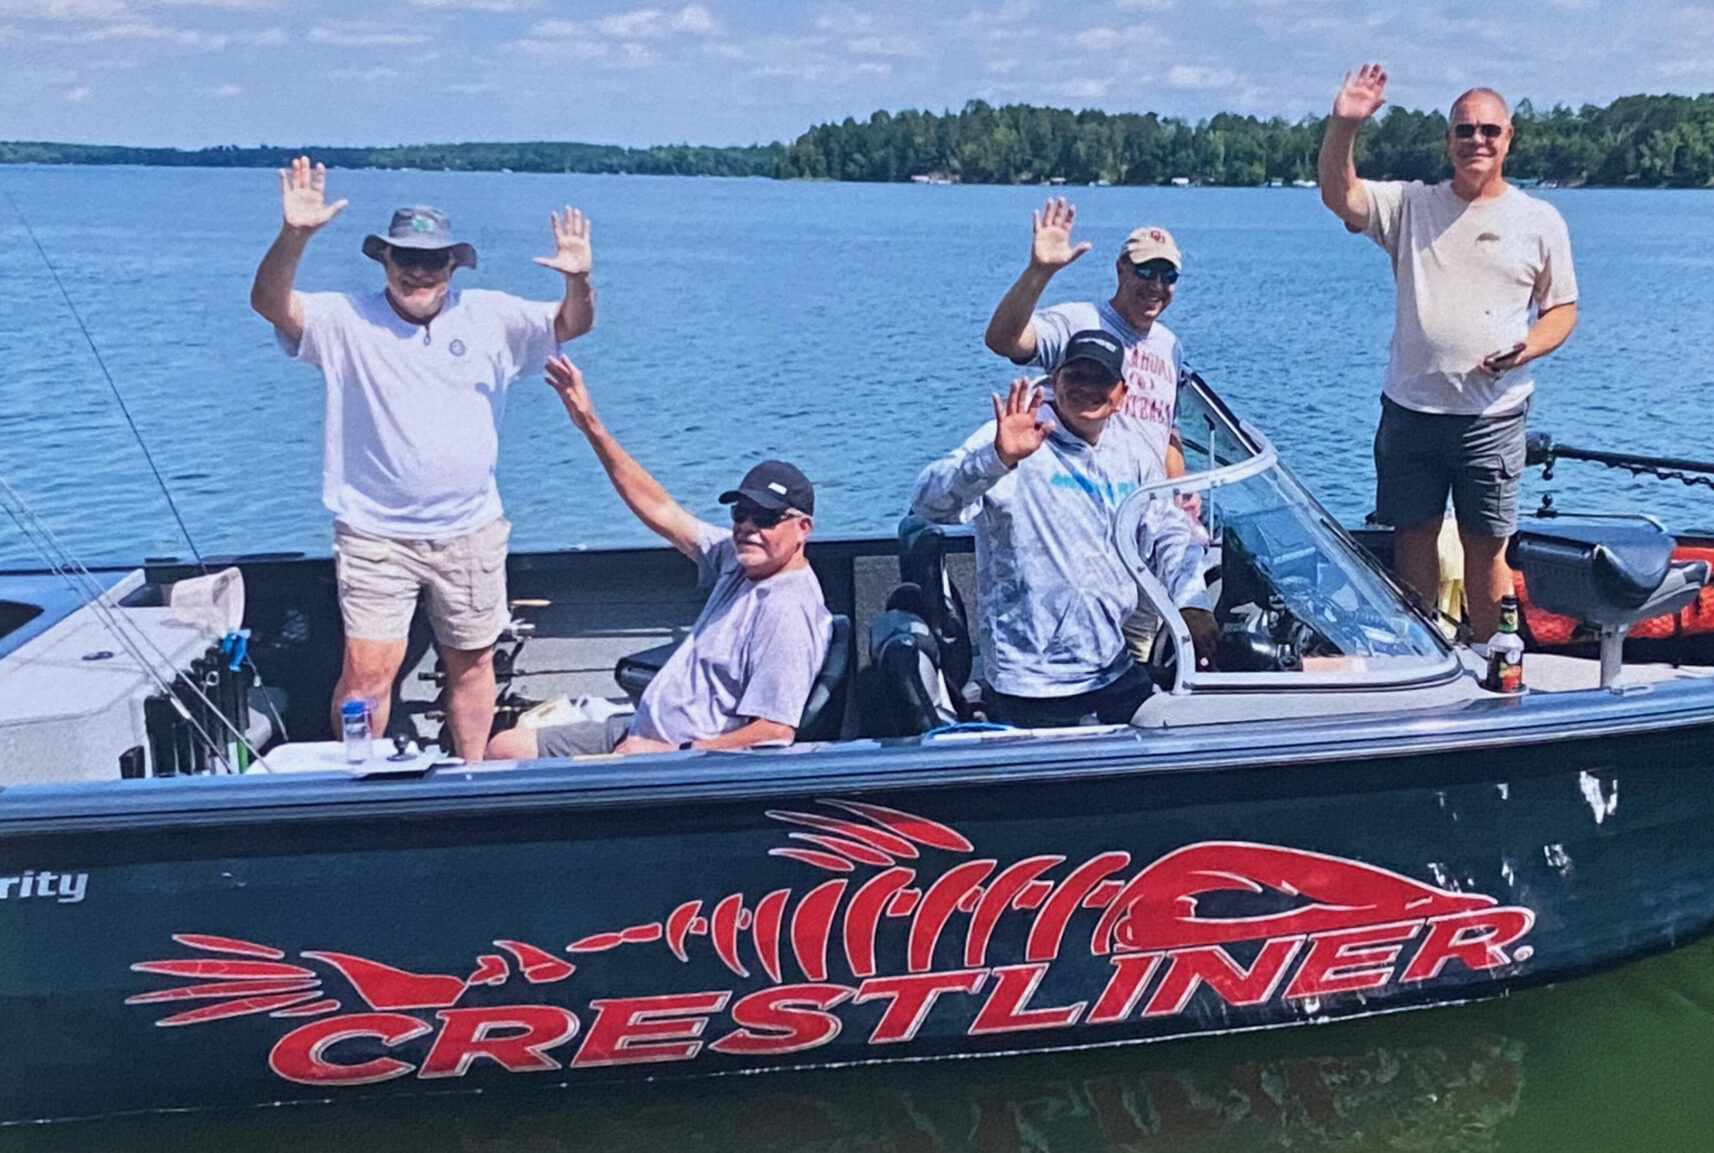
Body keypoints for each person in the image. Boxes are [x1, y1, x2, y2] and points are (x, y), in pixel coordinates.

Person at [250, 156, 596, 761]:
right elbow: (271, 304)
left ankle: (472, 780)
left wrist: (578, 279)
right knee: (366, 674)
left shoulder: (493, 315)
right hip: (374, 534)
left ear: (452, 264)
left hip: (471, 529)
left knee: (472, 661)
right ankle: (356, 782)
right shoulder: (345, 319)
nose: (418, 271)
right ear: (384, 260)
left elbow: (572, 323)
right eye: (404, 258)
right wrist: (294, 236)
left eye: (432, 259)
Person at [1317, 65, 1578, 639]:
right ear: (1448, 141)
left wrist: (1526, 347)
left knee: (1488, 551)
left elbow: (1562, 311)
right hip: (1410, 412)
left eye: (1489, 130)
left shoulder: (1538, 221)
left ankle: (1493, 665)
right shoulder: (1411, 205)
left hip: (1492, 416)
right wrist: (1344, 127)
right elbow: (1339, 195)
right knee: (1412, 541)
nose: (1477, 141)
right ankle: (1426, 661)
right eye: (1465, 131)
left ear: (1508, 138)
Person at [485, 355, 832, 759]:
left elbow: (773, 732)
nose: (749, 527)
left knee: (509, 762)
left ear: (802, 528)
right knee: (504, 747)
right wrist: (590, 424)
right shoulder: (736, 559)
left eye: (767, 517)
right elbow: (661, 509)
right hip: (640, 728)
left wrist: (668, 751)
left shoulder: (787, 612)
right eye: (741, 513)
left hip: (676, 759)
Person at [911, 331, 1215, 729]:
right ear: (1055, 380)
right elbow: (928, 503)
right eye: (1076, 376)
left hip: (1110, 663)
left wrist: (1193, 601)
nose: (1087, 389)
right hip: (1032, 680)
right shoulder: (1013, 437)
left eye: (1101, 380)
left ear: (1121, 393)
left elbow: (1167, 531)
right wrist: (996, 460)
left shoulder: (1133, 450)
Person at [982, 198, 1189, 471]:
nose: (1156, 285)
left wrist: (1180, 492)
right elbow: (1003, 340)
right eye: (1146, 271)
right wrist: (1039, 272)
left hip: (1143, 505)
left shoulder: (1170, 346)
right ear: (1121, 269)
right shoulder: (1077, 322)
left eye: (1168, 276)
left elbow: (1167, 432)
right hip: (1081, 497)